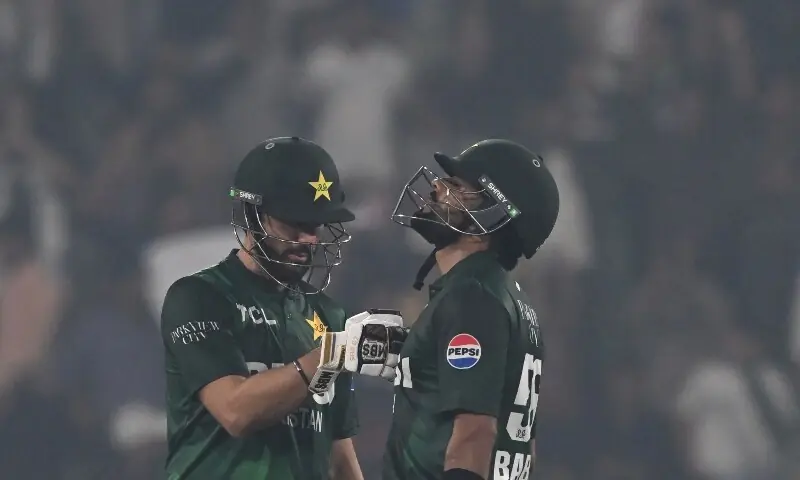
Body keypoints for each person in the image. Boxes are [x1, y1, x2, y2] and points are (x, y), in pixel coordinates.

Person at [160, 136, 405, 480]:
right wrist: (335, 352)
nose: (309, 239)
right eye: (294, 222)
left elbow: (337, 455)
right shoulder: (199, 298)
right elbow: (235, 412)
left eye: (315, 225)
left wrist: (338, 349)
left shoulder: (329, 316)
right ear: (252, 215)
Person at [383, 139, 560, 480]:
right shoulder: (512, 300)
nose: (437, 186)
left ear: (492, 216)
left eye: (458, 186)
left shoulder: (471, 296)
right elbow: (524, 445)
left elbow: (475, 433)